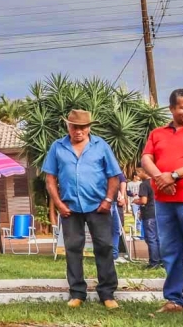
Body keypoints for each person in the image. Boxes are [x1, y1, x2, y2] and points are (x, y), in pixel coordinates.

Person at [43, 109, 122, 310]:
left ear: (89, 127)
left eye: (83, 127)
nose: (79, 131)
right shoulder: (57, 147)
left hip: (98, 206)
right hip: (70, 208)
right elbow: (50, 178)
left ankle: (107, 293)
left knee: (104, 247)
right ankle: (77, 293)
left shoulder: (101, 145)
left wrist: (108, 199)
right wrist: (59, 204)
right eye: (74, 126)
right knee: (73, 249)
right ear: (68, 126)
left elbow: (114, 175)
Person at [141, 88, 183, 314]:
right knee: (170, 251)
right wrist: (160, 177)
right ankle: (174, 300)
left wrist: (174, 175)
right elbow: (146, 158)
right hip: (164, 201)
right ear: (172, 108)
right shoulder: (157, 133)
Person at [134, 168, 163, 269]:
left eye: (138, 172)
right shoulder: (157, 181)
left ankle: (154, 262)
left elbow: (144, 201)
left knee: (151, 238)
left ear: (144, 172)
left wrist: (136, 201)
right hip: (159, 211)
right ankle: (161, 260)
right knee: (158, 238)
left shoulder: (144, 184)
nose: (137, 174)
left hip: (149, 213)